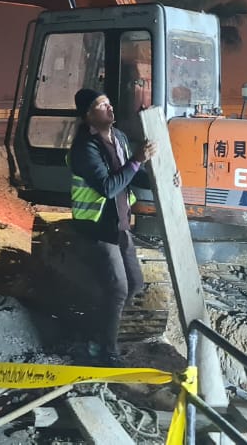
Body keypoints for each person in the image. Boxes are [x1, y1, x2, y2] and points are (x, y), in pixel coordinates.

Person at [68, 88, 157, 365]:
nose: (110, 108)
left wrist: (161, 181)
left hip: (120, 224)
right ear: (88, 115)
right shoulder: (85, 147)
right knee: (118, 288)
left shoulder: (119, 138)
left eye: (109, 103)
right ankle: (106, 350)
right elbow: (107, 187)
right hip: (98, 227)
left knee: (135, 284)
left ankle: (98, 334)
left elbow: (132, 175)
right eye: (101, 105)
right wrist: (137, 160)